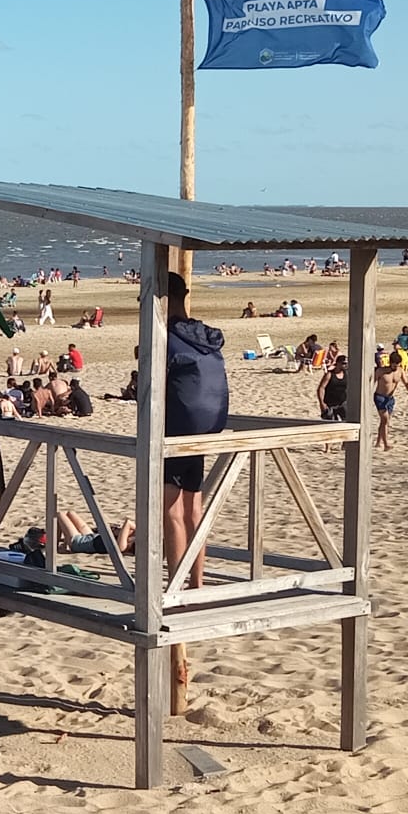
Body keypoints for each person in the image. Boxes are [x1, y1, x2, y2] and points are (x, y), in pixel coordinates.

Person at [163, 275, 228, 714]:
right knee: (195, 504)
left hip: (176, 428)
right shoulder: (203, 336)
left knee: (170, 506)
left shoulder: (165, 335)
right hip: (207, 428)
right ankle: (198, 580)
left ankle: (175, 580)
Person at [371, 352, 408, 452]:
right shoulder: (381, 371)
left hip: (390, 399)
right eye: (395, 364)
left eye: (398, 364)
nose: (396, 366)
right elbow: (371, 383)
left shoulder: (400, 371)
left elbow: (406, 382)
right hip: (380, 397)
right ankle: (386, 445)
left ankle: (378, 442)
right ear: (390, 362)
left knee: (384, 421)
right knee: (385, 419)